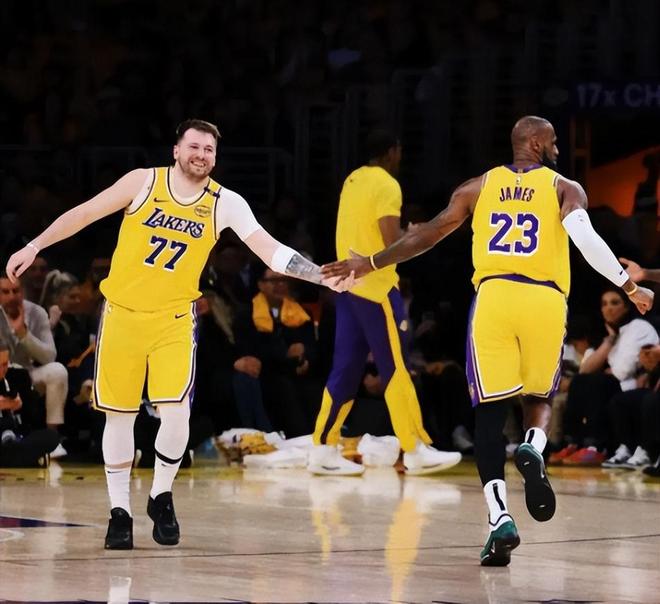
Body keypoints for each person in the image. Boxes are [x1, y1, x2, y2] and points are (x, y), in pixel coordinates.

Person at [5, 118, 353, 551]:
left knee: (176, 413)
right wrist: (35, 245)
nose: (201, 155)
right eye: (194, 146)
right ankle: (119, 512)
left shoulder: (225, 202)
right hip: (122, 316)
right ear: (176, 150)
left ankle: (161, 495)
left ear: (215, 158)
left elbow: (271, 250)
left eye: (209, 150)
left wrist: (320, 275)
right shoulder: (143, 182)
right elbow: (85, 213)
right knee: (120, 416)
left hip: (173, 319)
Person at [322, 116, 655, 565]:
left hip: (494, 298)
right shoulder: (564, 187)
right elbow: (585, 239)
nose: (557, 149)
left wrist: (371, 262)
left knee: (489, 413)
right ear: (535, 143)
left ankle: (500, 519)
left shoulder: (477, 187)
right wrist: (630, 287)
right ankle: (533, 447)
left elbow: (429, 233)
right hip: (544, 298)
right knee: (540, 397)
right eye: (554, 142)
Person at [308, 129, 462, 476]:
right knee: (395, 366)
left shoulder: (353, 179)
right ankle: (415, 447)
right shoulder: (388, 185)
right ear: (392, 151)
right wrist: (413, 234)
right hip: (376, 289)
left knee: (346, 369)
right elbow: (392, 243)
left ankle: (322, 448)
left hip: (348, 287)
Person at [0, 273, 69, 453]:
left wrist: (23, 334)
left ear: (22, 291)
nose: (11, 296)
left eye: (15, 291)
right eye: (5, 292)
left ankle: (53, 438)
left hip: (27, 374)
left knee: (57, 371)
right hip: (1, 374)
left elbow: (49, 356)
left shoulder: (37, 312)